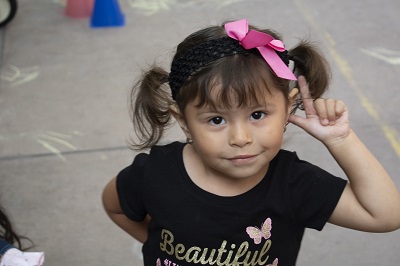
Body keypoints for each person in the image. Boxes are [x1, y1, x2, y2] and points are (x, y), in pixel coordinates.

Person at [102, 19, 400, 266]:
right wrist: (158, 245)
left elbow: (385, 216)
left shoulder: (294, 183)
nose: (241, 139)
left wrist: (342, 139)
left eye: (257, 114)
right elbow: (115, 207)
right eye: (216, 119)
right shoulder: (155, 172)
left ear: (287, 107)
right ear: (183, 120)